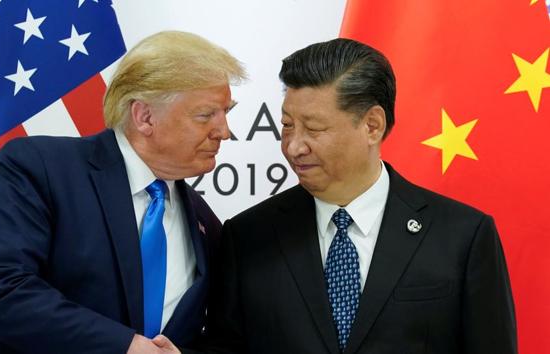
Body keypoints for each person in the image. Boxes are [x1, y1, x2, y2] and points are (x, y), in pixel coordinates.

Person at [165, 38, 516, 354]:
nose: (294, 146)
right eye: (287, 126)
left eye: (315, 129)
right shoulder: (248, 237)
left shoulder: (463, 236)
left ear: (372, 126)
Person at [0, 31, 245, 354]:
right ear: (145, 116)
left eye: (225, 113)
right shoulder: (40, 169)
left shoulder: (205, 224)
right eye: (206, 115)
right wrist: (124, 346)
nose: (224, 132)